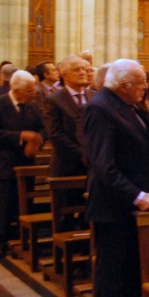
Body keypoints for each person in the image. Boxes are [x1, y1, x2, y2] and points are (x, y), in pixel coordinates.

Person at [84, 59, 149, 297]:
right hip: (112, 203)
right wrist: (136, 196)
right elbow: (103, 165)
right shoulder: (100, 108)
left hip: (134, 200)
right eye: (141, 82)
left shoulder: (129, 104)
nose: (145, 86)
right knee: (110, 267)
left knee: (132, 264)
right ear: (124, 85)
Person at [0, 71, 45, 259]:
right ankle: (1, 243)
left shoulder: (32, 105)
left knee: (25, 202)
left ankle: (23, 240)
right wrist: (21, 136)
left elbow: (42, 128)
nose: (33, 94)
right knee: (3, 204)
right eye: (29, 91)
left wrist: (36, 141)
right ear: (16, 91)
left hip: (27, 162)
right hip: (5, 162)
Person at [42, 56, 94, 195]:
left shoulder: (94, 96)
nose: (82, 73)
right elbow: (55, 134)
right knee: (67, 206)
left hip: (93, 166)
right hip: (67, 165)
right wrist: (83, 153)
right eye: (77, 70)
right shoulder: (54, 100)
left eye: (84, 69)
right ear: (64, 75)